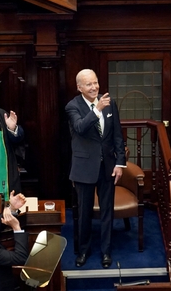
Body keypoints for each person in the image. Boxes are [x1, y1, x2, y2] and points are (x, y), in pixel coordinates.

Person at [66, 69, 126, 269]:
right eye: (89, 84)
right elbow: (80, 127)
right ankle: (83, 250)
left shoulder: (109, 102)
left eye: (96, 82)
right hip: (84, 168)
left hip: (107, 167)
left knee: (107, 211)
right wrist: (96, 110)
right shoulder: (72, 106)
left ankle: (106, 251)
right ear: (79, 87)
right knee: (84, 213)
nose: (94, 87)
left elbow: (117, 135)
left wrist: (120, 163)